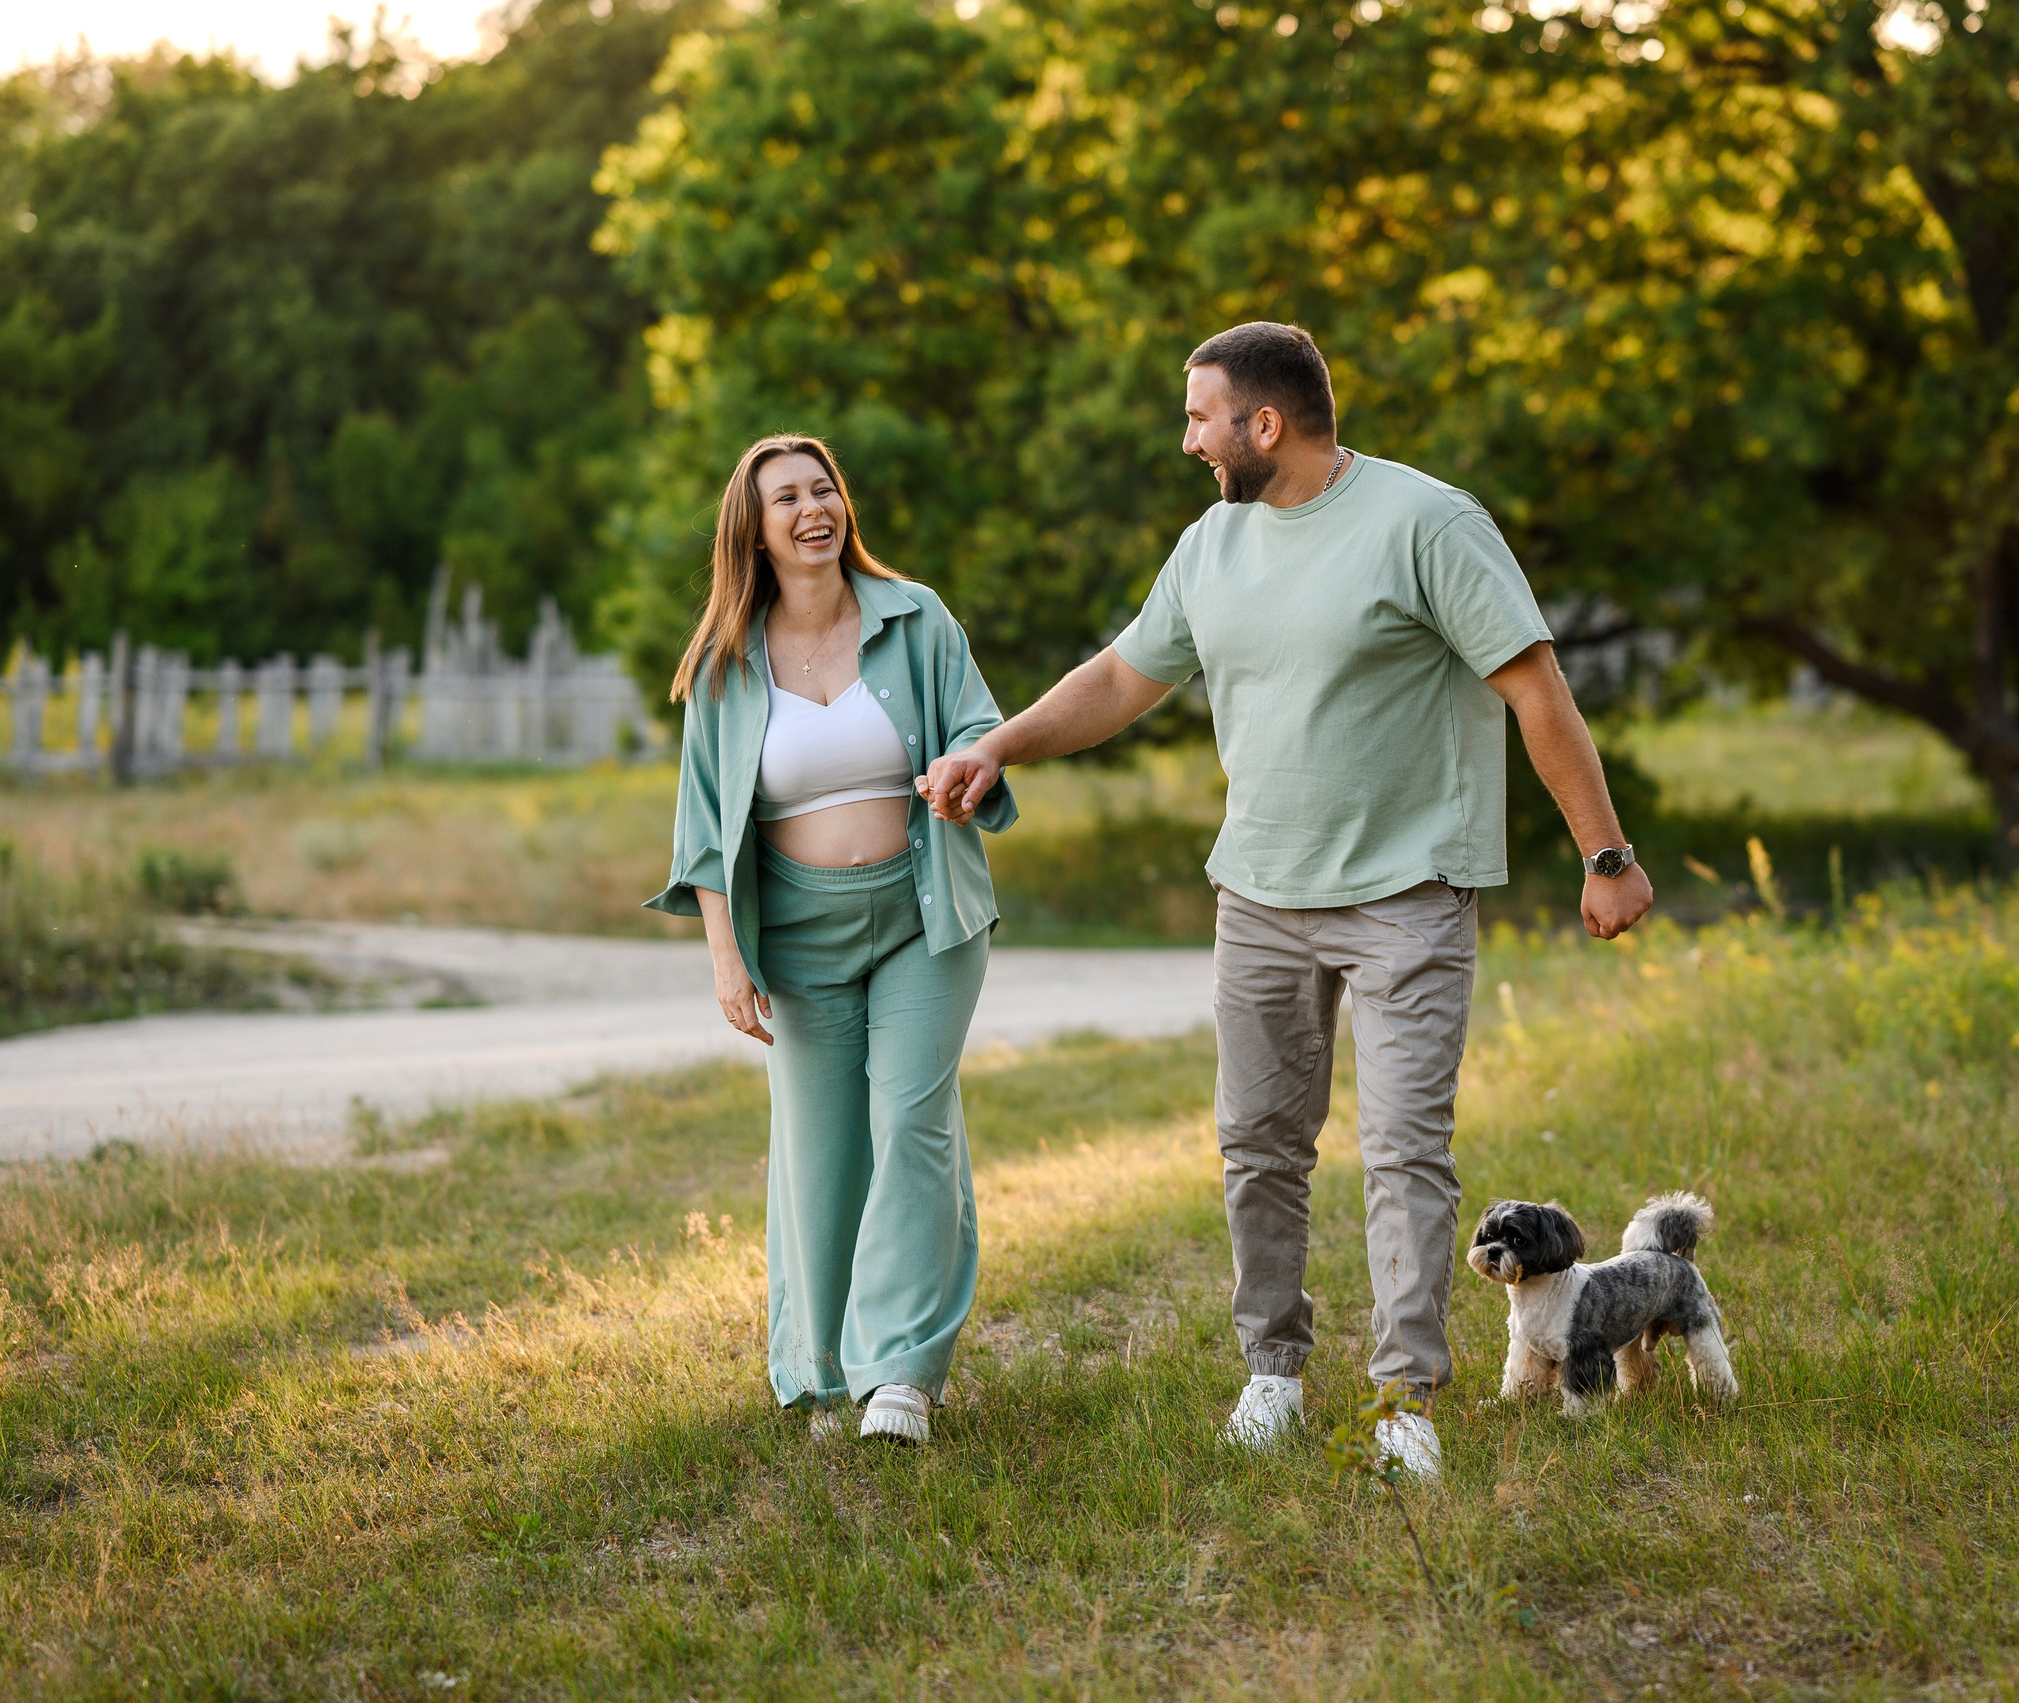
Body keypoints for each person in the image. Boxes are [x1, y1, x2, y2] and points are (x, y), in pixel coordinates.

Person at [921, 323, 1654, 1480]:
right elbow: (1122, 675)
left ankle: (1404, 1398)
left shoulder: (1427, 522)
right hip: (1257, 892)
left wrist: (1604, 855)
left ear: (1265, 424)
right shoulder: (1211, 544)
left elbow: (1532, 684)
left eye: (1199, 416)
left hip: (1406, 891)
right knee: (1256, 1147)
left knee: (1406, 1151)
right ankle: (1273, 1370)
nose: (1186, 440)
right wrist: (998, 745)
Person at [646, 434, 1015, 1447]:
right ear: (753, 529)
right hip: (797, 932)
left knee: (912, 1122)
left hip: (922, 912)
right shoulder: (726, 661)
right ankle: (822, 1370)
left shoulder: (917, 619)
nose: (814, 509)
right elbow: (705, 827)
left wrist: (965, 768)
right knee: (820, 1149)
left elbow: (979, 730)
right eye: (787, 498)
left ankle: (899, 1372)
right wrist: (726, 957)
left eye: (824, 490)